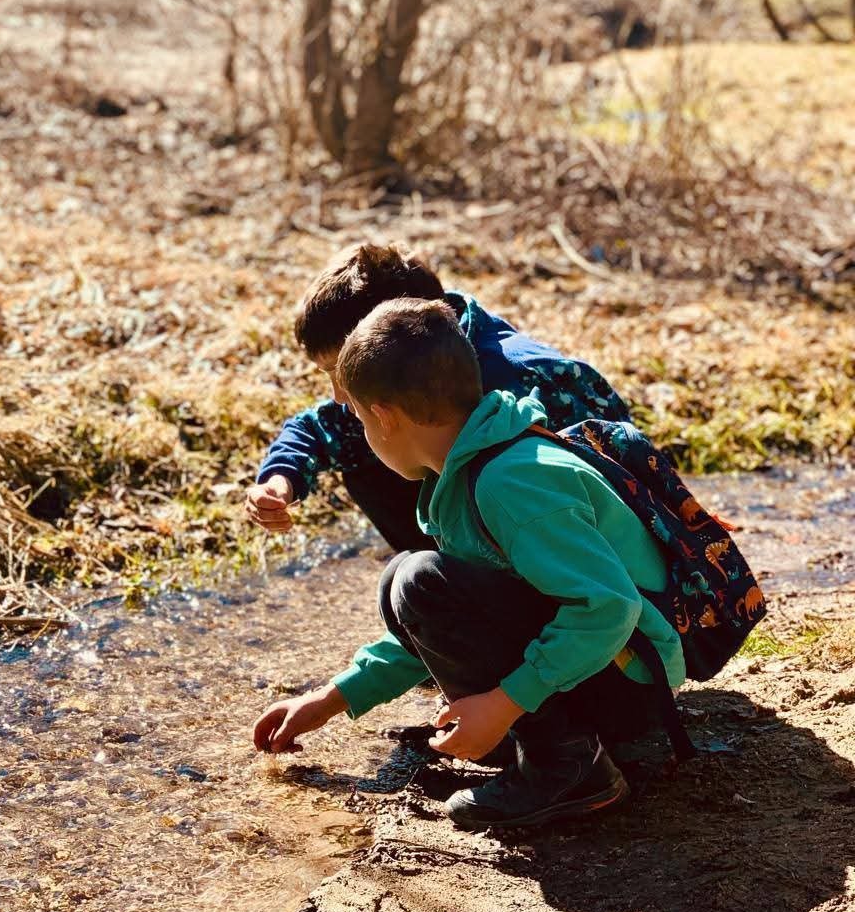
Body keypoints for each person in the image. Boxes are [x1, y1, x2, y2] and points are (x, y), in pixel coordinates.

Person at [252, 298, 686, 830]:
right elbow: (445, 624)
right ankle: (547, 741)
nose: (363, 432)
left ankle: (567, 765)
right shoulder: (469, 467)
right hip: (601, 669)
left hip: (630, 684)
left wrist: (505, 703)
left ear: (384, 418)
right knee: (407, 581)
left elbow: (608, 608)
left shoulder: (512, 480)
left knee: (417, 581)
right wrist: (332, 699)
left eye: (361, 419)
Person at [245, 243, 630, 554]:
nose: (337, 395)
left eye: (339, 373)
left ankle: (481, 603)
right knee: (363, 443)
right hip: (501, 526)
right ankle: (449, 581)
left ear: (387, 339)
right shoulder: (411, 365)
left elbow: (614, 488)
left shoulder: (524, 380)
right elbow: (318, 428)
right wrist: (279, 483)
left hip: (582, 551)